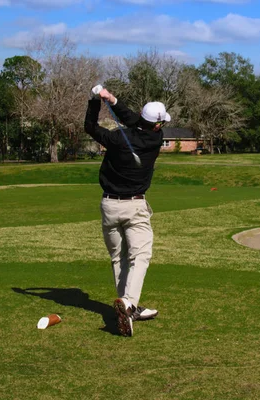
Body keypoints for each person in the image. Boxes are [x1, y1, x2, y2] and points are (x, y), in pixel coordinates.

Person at [84, 86, 170, 337]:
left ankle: (127, 306)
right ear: (157, 125)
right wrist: (112, 101)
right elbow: (135, 121)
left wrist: (96, 102)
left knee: (118, 258)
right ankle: (129, 303)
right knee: (141, 255)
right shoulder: (155, 139)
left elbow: (91, 127)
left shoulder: (115, 138)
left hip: (109, 206)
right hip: (135, 206)